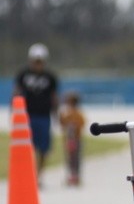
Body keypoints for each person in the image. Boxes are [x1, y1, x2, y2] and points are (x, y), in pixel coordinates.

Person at [13, 43, 59, 180]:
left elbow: (54, 96)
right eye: (35, 61)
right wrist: (15, 112)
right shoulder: (23, 75)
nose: (38, 64)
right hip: (27, 116)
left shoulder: (50, 77)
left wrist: (56, 114)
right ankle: (28, 173)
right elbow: (17, 93)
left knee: (43, 148)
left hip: (44, 115)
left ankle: (39, 174)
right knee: (27, 147)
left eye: (40, 61)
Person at [58, 91, 86, 186]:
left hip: (76, 139)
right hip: (69, 139)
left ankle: (76, 176)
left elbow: (81, 124)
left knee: (75, 158)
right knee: (70, 158)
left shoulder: (77, 114)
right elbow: (62, 123)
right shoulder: (67, 114)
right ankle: (72, 175)